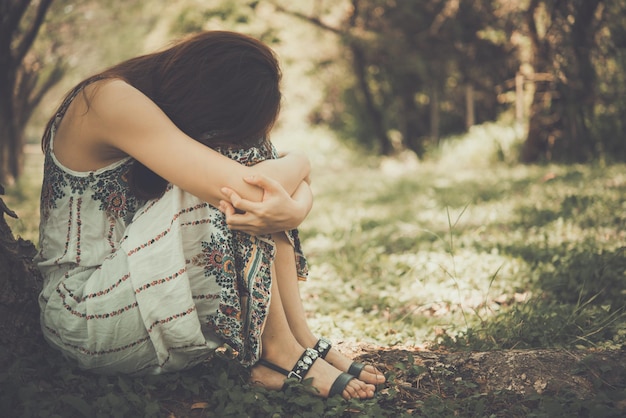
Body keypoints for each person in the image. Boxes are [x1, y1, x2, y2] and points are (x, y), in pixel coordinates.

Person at [35, 30, 385, 400]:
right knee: (238, 177)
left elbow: (261, 186)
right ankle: (277, 353)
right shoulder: (106, 98)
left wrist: (295, 190)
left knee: (251, 157)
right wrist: (300, 169)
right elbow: (253, 191)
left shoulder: (143, 102)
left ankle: (301, 339)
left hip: (132, 297)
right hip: (83, 316)